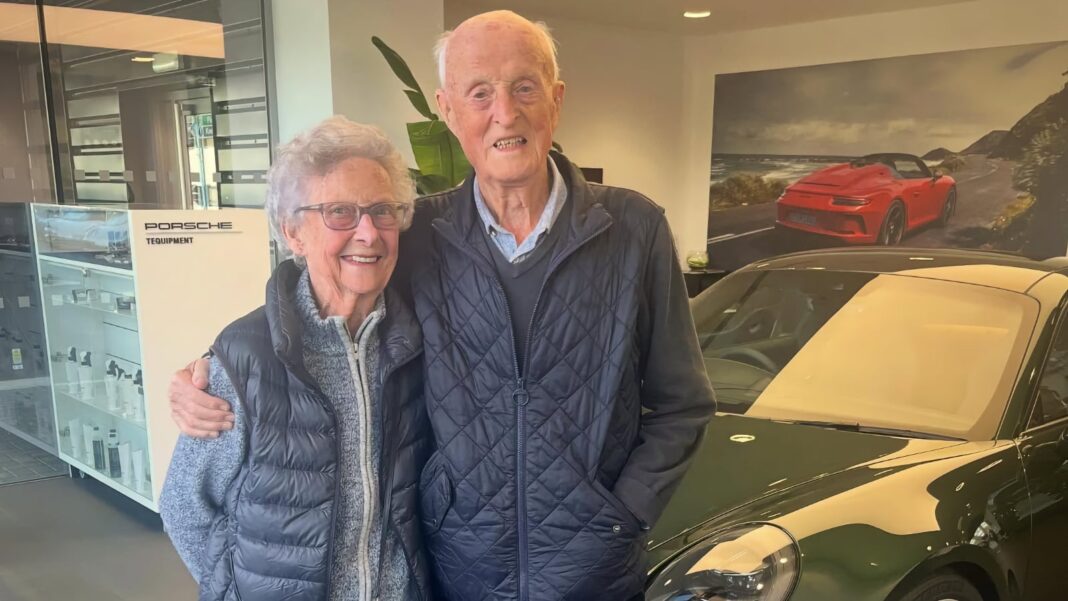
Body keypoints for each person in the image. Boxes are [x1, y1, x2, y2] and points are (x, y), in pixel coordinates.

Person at [169, 10, 715, 601]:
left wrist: (622, 514)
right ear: (448, 110)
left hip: (594, 570)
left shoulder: (634, 228)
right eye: (479, 93)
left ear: (556, 100)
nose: (504, 112)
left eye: (524, 87)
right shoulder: (419, 232)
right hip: (459, 569)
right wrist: (213, 367)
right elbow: (329, 300)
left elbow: (681, 403)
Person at [159, 117, 432, 601]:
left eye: (382, 211)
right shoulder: (244, 358)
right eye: (340, 213)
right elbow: (185, 507)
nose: (368, 232)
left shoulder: (419, 341)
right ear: (293, 233)